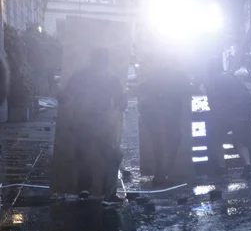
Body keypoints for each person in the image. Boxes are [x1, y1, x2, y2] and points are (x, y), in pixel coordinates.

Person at [61, 48, 127, 203]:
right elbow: (120, 103)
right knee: (112, 157)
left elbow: (64, 97)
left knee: (84, 156)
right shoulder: (111, 78)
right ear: (106, 61)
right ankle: (109, 194)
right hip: (102, 123)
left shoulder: (80, 76)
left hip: (82, 121)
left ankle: (84, 189)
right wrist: (124, 99)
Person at [137, 53, 192, 185]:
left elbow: (144, 89)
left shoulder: (157, 76)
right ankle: (163, 172)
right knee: (171, 141)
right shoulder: (178, 76)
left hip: (159, 116)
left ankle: (162, 172)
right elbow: (188, 90)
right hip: (170, 114)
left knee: (160, 144)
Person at [205, 57, 251, 177]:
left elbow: (215, 101)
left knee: (216, 138)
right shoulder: (230, 76)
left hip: (233, 111)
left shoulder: (213, 80)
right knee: (239, 140)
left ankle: (222, 167)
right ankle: (247, 165)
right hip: (246, 109)